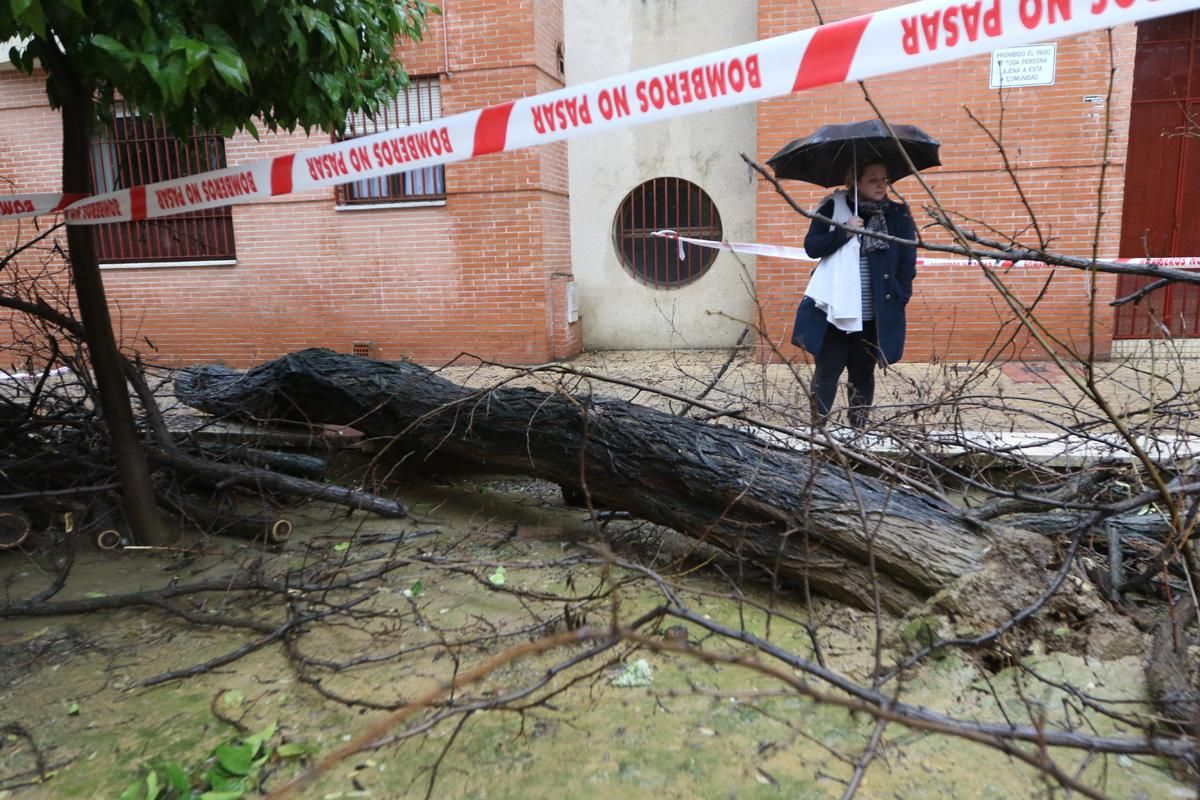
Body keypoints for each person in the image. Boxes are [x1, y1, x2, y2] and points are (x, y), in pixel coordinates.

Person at [791, 161, 917, 429]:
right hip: (835, 312)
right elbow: (812, 247)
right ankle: (818, 431)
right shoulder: (832, 208)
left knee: (862, 374)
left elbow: (907, 261)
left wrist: (900, 295)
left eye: (885, 179)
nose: (882, 185)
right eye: (873, 180)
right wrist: (844, 231)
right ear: (855, 182)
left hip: (874, 315)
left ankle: (858, 433)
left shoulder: (898, 214)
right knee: (827, 372)